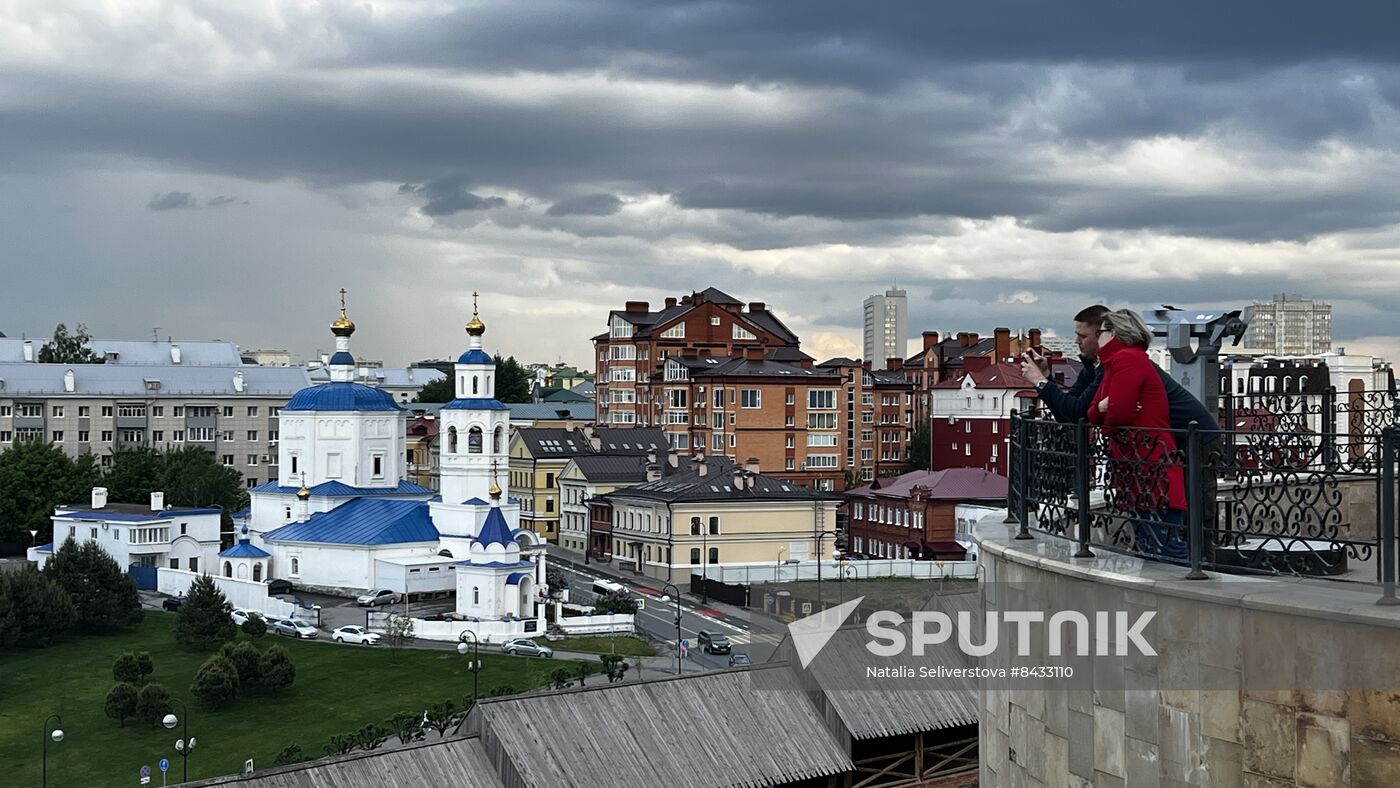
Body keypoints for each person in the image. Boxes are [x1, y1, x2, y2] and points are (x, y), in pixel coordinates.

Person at [1021, 304, 1218, 441]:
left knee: (1194, 499)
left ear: (1103, 334)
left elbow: (1081, 413)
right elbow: (1071, 414)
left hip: (1190, 439)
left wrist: (1041, 382)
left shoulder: (1122, 363)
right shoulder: (1098, 366)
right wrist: (1046, 378)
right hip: (1171, 443)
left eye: (1082, 336)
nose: (1076, 342)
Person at [1086, 309, 1187, 560]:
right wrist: (1101, 409)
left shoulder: (1127, 360)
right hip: (1141, 463)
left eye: (1100, 333)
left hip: (1149, 464)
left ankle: (1185, 594)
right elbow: (1093, 410)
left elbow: (1119, 413)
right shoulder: (1118, 362)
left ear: (1113, 333)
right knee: (1151, 540)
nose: (1096, 339)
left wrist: (1105, 420)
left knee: (1162, 544)